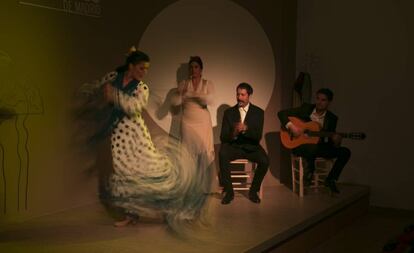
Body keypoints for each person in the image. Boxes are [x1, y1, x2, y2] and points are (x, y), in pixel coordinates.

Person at [87, 48, 210, 230]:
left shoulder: (141, 87)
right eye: (141, 68)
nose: (144, 73)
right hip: (119, 139)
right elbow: (99, 86)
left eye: (146, 69)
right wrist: (90, 91)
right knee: (125, 176)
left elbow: (135, 106)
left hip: (137, 138)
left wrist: (116, 95)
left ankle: (173, 208)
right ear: (131, 66)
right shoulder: (114, 77)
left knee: (152, 174)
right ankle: (131, 214)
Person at [277, 88, 351, 193]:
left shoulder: (332, 118)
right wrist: (292, 127)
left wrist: (336, 141)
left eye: (323, 100)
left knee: (345, 152)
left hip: (317, 147)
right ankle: (309, 171)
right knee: (313, 147)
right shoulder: (306, 108)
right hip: (299, 145)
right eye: (317, 99)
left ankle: (330, 179)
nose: (319, 102)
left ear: (329, 102)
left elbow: (329, 143)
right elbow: (281, 113)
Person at [219, 83, 269, 204]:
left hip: (251, 147)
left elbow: (257, 136)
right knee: (222, 154)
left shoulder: (258, 112)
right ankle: (229, 192)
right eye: (238, 94)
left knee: (265, 161)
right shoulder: (229, 113)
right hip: (234, 146)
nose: (239, 97)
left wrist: (246, 129)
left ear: (249, 95)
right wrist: (235, 132)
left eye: (242, 94)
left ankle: (253, 191)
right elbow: (223, 137)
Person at [175, 56, 215, 190]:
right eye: (191, 67)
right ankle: (189, 186)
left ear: (201, 69)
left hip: (203, 121)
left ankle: (203, 187)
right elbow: (175, 103)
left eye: (196, 67)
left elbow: (210, 100)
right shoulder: (183, 84)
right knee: (188, 152)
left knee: (203, 152)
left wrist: (195, 95)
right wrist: (180, 95)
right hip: (187, 121)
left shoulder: (207, 83)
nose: (193, 69)